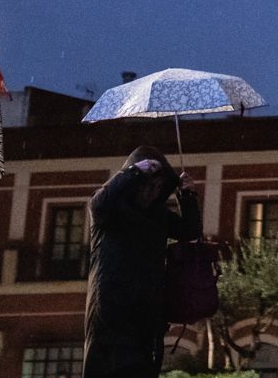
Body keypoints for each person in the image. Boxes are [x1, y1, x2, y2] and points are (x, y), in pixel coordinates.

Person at [83, 146, 203, 378]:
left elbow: (189, 231)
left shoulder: (158, 217)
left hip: (147, 315)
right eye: (147, 185)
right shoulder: (109, 212)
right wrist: (135, 171)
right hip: (112, 316)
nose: (152, 192)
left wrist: (187, 196)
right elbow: (99, 202)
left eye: (158, 187)